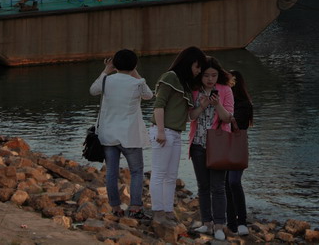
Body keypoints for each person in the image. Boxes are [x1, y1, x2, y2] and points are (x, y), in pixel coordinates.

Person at [89, 49, 153, 219]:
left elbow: (93, 90)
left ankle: (116, 208)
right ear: (135, 65)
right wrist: (135, 72)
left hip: (108, 135)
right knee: (137, 171)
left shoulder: (106, 80)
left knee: (111, 172)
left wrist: (106, 70)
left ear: (114, 64)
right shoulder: (137, 83)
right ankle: (135, 208)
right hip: (130, 136)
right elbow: (149, 95)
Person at [150, 46, 207, 224]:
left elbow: (189, 116)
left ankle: (168, 211)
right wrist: (160, 130)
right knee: (159, 173)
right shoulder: (170, 77)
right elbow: (158, 105)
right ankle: (157, 211)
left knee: (171, 175)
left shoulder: (185, 85)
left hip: (175, 133)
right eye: (198, 67)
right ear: (189, 62)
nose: (198, 71)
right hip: (164, 131)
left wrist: (203, 106)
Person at [188, 56, 234, 241]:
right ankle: (206, 223)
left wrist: (218, 105)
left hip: (219, 145)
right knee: (203, 186)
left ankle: (220, 225)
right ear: (200, 75)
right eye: (206, 75)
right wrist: (202, 106)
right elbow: (190, 116)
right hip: (198, 144)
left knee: (218, 187)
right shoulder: (194, 91)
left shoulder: (225, 90)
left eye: (214, 75)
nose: (210, 79)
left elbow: (228, 118)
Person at [225, 69, 253, 236]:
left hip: (237, 146)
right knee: (226, 183)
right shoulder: (224, 101)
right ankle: (231, 221)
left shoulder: (244, 104)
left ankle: (242, 220)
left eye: (230, 81)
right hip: (223, 145)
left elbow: (239, 126)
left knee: (234, 181)